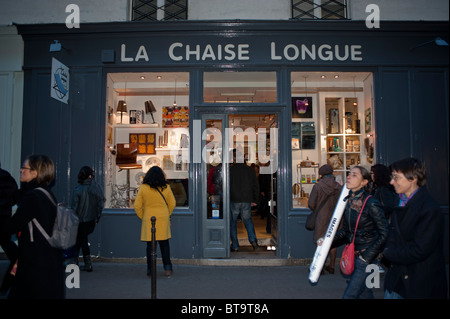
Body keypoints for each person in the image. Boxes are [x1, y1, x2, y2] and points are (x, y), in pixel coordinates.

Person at [1, 155, 65, 299]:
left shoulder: (33, 197)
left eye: (25, 168)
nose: (21, 170)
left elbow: (12, 225)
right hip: (47, 257)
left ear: (35, 172)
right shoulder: (47, 194)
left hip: (36, 260)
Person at [383, 158, 447, 299]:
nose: (391, 182)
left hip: (418, 283)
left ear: (413, 178)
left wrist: (388, 253)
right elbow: (393, 234)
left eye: (396, 178)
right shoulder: (399, 201)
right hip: (397, 281)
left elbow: (420, 250)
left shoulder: (429, 209)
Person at [331, 166, 388, 299]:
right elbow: (347, 231)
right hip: (354, 255)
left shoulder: (371, 203)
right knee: (365, 293)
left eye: (354, 175)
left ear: (364, 182)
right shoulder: (348, 201)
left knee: (350, 295)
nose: (349, 177)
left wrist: (367, 256)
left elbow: (384, 233)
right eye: (349, 173)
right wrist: (328, 241)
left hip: (366, 258)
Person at [134, 166, 176, 277]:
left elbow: (137, 205)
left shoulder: (143, 188)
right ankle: (168, 268)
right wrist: (167, 214)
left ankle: (150, 269)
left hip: (149, 218)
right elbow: (172, 203)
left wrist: (143, 216)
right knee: (164, 244)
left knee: (150, 246)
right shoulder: (166, 187)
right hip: (163, 217)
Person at [308, 164, 342, 274]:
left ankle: (320, 267)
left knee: (321, 241)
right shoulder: (339, 186)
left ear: (321, 174)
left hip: (321, 218)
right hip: (335, 218)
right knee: (332, 242)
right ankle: (331, 266)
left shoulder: (318, 186)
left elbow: (311, 204)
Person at [70, 166, 105, 272]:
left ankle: (76, 263)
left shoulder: (78, 190)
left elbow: (74, 208)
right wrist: (97, 218)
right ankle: (87, 264)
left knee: (78, 242)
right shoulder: (96, 188)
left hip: (79, 221)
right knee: (83, 240)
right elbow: (100, 205)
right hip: (90, 220)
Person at [229, 150, 260, 251]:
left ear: (234, 159)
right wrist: (255, 199)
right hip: (246, 199)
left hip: (234, 199)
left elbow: (227, 186)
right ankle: (253, 241)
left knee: (232, 222)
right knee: (247, 221)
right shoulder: (250, 170)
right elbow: (255, 186)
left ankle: (235, 245)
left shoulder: (230, 170)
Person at [0, 161, 19, 293]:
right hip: (3, 221)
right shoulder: (6, 177)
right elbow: (15, 197)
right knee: (16, 257)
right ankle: (6, 286)